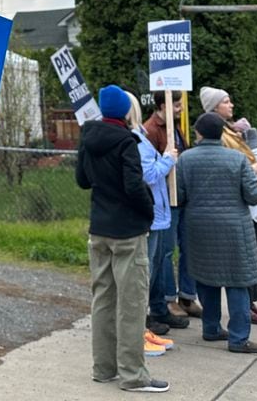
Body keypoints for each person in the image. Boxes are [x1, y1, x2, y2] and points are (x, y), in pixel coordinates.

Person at [76, 86, 166, 393]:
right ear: (126, 111)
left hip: (99, 228)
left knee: (103, 299)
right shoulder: (127, 141)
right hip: (127, 231)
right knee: (132, 303)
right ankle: (133, 375)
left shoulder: (88, 136)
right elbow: (133, 185)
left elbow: (82, 180)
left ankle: (103, 368)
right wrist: (148, 211)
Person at [176, 112, 257, 355]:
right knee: (238, 282)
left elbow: (180, 196)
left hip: (198, 227)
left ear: (199, 134)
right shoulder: (237, 159)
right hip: (234, 229)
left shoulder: (186, 159)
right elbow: (253, 196)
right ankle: (238, 338)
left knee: (206, 279)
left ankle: (211, 327)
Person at [197, 86, 257, 326]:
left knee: (256, 255)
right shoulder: (219, 134)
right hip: (236, 204)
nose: (231, 105)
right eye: (226, 101)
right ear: (214, 107)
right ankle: (242, 310)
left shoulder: (231, 130)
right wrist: (253, 170)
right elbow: (226, 165)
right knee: (246, 261)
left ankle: (248, 303)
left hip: (247, 199)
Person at [127, 93, 185, 341]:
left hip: (160, 210)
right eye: (177, 103)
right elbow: (148, 174)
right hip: (153, 212)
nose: (181, 108)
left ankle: (158, 309)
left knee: (161, 260)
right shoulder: (143, 137)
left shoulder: (144, 135)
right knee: (149, 266)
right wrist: (168, 160)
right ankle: (146, 317)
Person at [144, 92, 200, 320]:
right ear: (162, 106)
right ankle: (168, 299)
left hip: (182, 195)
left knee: (188, 246)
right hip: (166, 199)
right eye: (176, 105)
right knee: (166, 250)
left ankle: (186, 295)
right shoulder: (152, 130)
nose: (180, 110)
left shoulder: (175, 127)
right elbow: (151, 169)